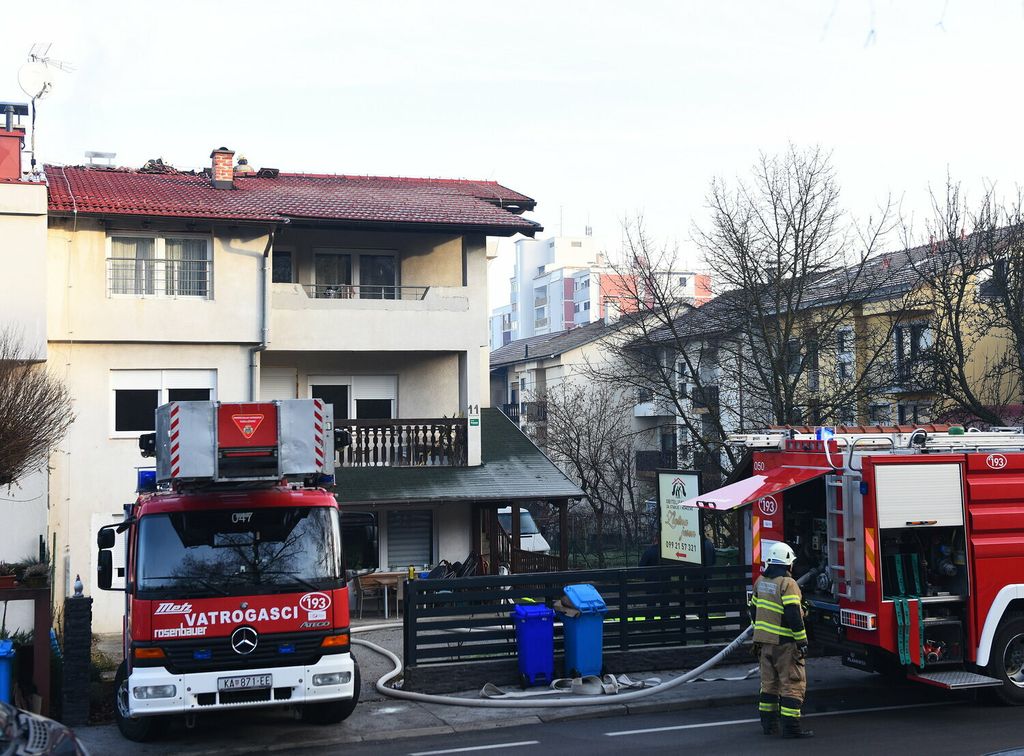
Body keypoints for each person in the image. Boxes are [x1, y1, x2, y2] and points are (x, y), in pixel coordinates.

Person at [749, 542, 813, 739]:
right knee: (792, 685)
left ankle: (769, 726)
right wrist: (802, 641)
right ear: (788, 564)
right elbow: (793, 613)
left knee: (768, 685)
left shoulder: (760, 581)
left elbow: (753, 610)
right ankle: (791, 729)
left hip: (763, 643)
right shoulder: (788, 584)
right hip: (785, 644)